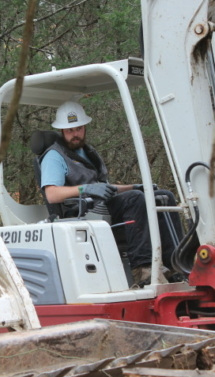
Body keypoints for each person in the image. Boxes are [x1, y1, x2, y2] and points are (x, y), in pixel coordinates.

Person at [39, 101, 183, 286]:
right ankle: (142, 269)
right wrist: (85, 189)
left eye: (79, 128)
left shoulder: (87, 152)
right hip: (82, 212)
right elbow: (52, 194)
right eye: (70, 130)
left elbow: (105, 187)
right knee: (135, 200)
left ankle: (175, 265)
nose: (75, 134)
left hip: (102, 205)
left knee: (163, 197)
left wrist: (135, 186)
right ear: (61, 131)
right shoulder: (54, 156)